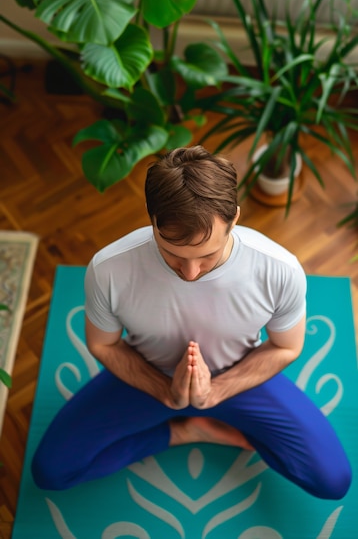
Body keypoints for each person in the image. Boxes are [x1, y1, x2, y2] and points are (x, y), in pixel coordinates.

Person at [32, 146, 352, 498]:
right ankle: (182, 431)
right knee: (51, 471)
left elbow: (287, 346)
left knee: (332, 481)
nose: (190, 272)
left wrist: (215, 391)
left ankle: (211, 414)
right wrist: (166, 393)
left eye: (207, 255)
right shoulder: (109, 269)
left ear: (234, 219)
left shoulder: (280, 269)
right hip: (147, 378)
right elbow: (102, 344)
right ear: (152, 219)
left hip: (239, 377)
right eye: (171, 252)